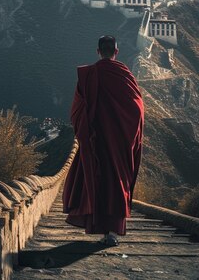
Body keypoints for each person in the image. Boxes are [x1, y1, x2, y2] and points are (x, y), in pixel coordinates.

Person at [62, 35, 144, 246]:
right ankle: (112, 233)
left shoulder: (89, 75)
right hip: (119, 143)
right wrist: (129, 137)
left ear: (98, 51)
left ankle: (98, 226)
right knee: (117, 183)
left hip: (96, 140)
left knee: (98, 182)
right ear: (116, 52)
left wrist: (86, 130)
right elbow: (138, 109)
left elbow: (77, 112)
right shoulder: (126, 77)